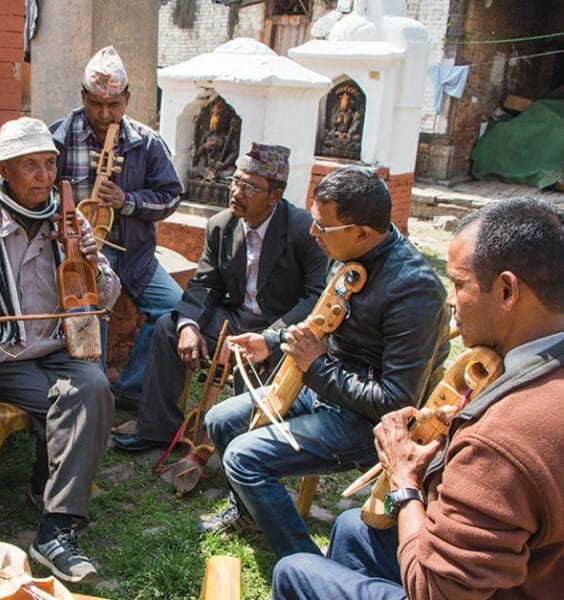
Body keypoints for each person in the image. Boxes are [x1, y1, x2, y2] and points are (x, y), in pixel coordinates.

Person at [272, 197, 564, 599]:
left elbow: (437, 590)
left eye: (459, 284)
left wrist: (404, 482)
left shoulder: (503, 437)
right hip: (537, 567)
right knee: (354, 528)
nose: (450, 300)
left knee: (295, 570)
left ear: (507, 290)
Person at [200, 165, 449, 556]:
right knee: (220, 420)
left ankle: (305, 564)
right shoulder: (346, 249)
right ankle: (249, 511)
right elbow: (321, 319)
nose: (312, 234)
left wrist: (316, 367)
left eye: (322, 227)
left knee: (243, 458)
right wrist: (272, 339)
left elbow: (396, 402)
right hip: (323, 388)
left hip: (365, 421)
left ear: (362, 233)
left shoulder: (414, 290)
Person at [0, 117, 121, 584]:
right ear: (5, 169)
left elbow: (104, 298)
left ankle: (52, 522)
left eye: (50, 165)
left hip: (56, 344)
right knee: (68, 403)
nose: (44, 177)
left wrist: (92, 263)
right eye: (30, 166)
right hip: (1, 352)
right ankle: (57, 520)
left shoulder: (69, 220)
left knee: (94, 385)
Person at [113, 143, 328, 452]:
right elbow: (204, 285)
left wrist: (269, 339)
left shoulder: (302, 230)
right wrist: (188, 325)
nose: (237, 192)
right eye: (236, 181)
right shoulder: (221, 225)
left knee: (262, 368)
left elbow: (314, 297)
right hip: (236, 321)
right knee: (166, 328)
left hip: (281, 329)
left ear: (274, 196)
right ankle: (157, 431)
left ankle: (243, 446)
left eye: (250, 186)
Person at [49, 46, 184, 407]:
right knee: (93, 309)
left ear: (127, 99)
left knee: (174, 309)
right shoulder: (57, 139)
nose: (104, 114)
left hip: (136, 257)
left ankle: (128, 387)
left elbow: (172, 197)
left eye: (114, 106)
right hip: (79, 257)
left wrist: (128, 201)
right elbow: (39, 200)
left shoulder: (147, 142)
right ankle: (97, 399)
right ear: (83, 98)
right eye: (95, 104)